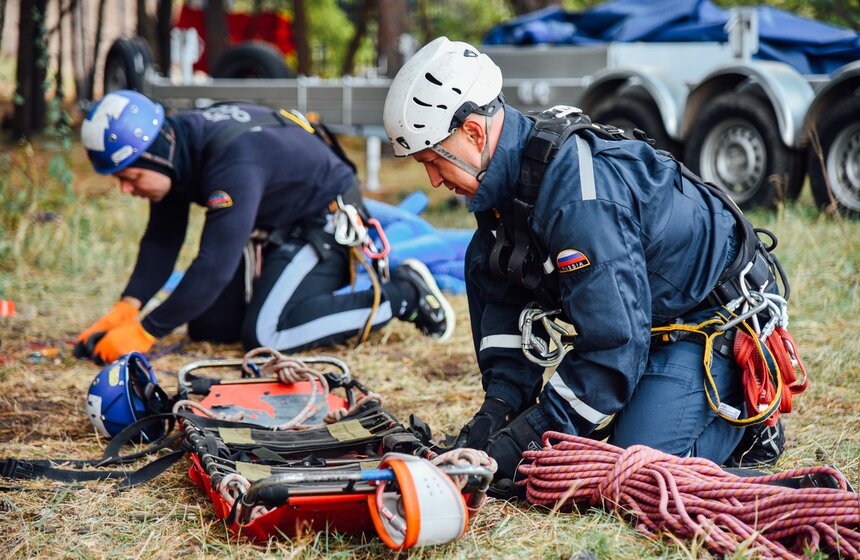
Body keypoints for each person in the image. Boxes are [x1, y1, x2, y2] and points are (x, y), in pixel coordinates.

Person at [383, 37, 796, 488]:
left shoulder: (577, 202)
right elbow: (503, 316)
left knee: (631, 468)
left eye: (433, 160)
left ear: (474, 133)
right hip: (645, 321)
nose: (432, 180)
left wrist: (529, 440)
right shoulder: (504, 197)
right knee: (577, 446)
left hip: (710, 317)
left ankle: (750, 425)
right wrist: (497, 417)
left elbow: (611, 349)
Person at [76, 90, 454, 365]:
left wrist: (145, 333)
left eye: (130, 177)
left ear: (156, 155)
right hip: (276, 223)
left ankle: (403, 295)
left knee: (266, 333)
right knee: (211, 327)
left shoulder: (232, 162)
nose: (126, 190)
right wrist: (128, 307)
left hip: (324, 220)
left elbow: (215, 264)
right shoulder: (178, 145)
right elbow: (163, 238)